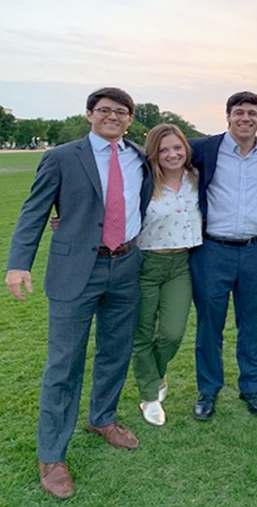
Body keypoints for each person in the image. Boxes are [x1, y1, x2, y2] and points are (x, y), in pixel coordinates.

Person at [5, 87, 153, 499]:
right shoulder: (61, 157)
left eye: (121, 112)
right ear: (90, 115)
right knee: (64, 365)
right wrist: (18, 263)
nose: (113, 117)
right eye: (104, 110)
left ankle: (102, 417)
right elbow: (35, 210)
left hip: (125, 265)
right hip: (75, 271)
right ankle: (52, 456)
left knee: (115, 350)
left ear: (129, 118)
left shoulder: (138, 157)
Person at [188, 91, 257, 420]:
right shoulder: (205, 148)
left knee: (252, 324)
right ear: (227, 116)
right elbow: (158, 156)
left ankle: (252, 388)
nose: (246, 118)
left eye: (252, 113)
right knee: (210, 325)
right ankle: (208, 390)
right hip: (213, 250)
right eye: (239, 112)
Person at [132, 124, 202, 426]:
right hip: (146, 264)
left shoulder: (197, 179)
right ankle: (149, 395)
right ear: (153, 154)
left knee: (173, 333)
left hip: (181, 264)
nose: (172, 154)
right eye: (163, 150)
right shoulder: (143, 181)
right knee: (142, 333)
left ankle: (157, 373)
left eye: (177, 147)